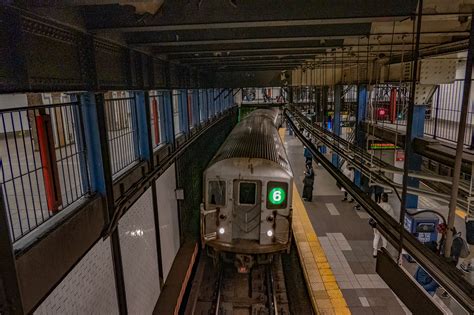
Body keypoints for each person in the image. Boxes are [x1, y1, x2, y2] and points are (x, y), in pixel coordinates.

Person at [372, 193, 394, 257]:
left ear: (381, 199)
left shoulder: (378, 206)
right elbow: (392, 218)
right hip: (385, 226)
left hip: (378, 225)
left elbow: (374, 216)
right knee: (384, 238)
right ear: (387, 199)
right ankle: (384, 250)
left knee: (376, 237)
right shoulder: (390, 207)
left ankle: (375, 252)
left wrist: (374, 227)